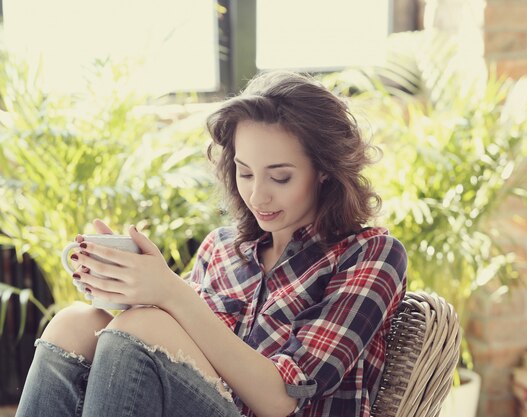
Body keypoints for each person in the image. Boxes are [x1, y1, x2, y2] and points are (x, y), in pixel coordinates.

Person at [15, 71, 407, 417]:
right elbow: (174, 353)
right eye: (244, 172)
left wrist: (170, 293)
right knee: (74, 323)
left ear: (324, 171)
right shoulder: (221, 249)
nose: (258, 196)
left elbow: (281, 400)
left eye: (280, 177)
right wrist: (130, 285)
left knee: (145, 323)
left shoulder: (370, 254)